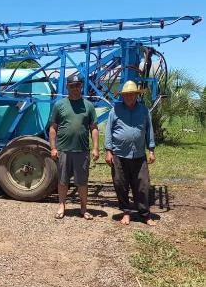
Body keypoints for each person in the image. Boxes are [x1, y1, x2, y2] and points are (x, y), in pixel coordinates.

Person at [104, 80, 156, 226]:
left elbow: (149, 130)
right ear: (123, 96)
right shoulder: (115, 110)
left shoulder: (144, 110)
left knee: (142, 185)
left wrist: (151, 150)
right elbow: (108, 131)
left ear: (136, 95)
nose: (129, 97)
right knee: (121, 184)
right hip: (119, 154)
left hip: (139, 155)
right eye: (126, 95)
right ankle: (126, 212)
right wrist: (108, 151)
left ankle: (145, 214)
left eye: (132, 94)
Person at [49, 73, 99, 219]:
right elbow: (53, 128)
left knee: (82, 182)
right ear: (67, 87)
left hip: (82, 151)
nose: (75, 88)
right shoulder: (59, 105)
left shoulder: (88, 106)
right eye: (72, 86)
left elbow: (94, 128)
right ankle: (61, 205)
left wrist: (96, 148)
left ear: (81, 86)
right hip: (63, 150)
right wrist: (53, 148)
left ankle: (83, 208)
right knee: (63, 181)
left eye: (78, 85)